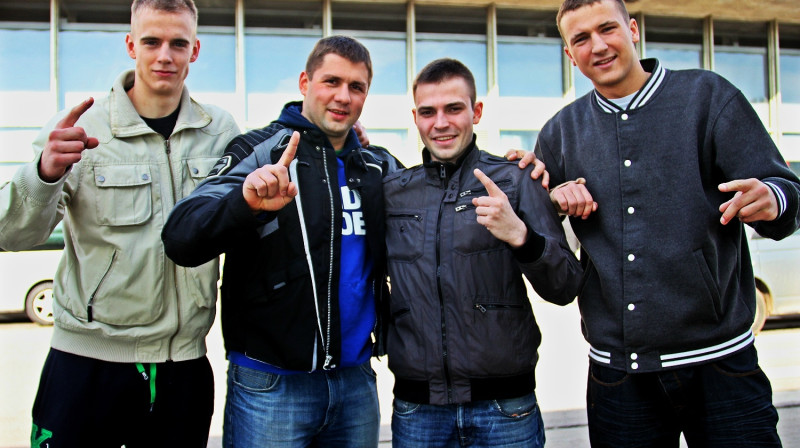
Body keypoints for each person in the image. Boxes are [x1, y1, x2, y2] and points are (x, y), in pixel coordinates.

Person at [535, 0, 800, 446]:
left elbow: (787, 190)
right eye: (580, 39)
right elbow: (548, 250)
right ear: (568, 54)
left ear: (633, 29)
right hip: (618, 378)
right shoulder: (560, 132)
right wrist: (552, 203)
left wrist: (774, 198)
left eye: (607, 29)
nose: (597, 46)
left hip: (721, 368)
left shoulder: (708, 97)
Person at [0, 1, 241, 446]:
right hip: (86, 366)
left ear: (196, 50)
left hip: (184, 370)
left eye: (178, 43)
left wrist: (339, 138)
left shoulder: (220, 129)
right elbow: (12, 234)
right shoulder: (78, 129)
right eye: (151, 41)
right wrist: (43, 173)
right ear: (131, 45)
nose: (164, 55)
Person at [161, 35, 401, 448]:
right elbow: (181, 236)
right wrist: (244, 202)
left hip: (356, 384)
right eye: (331, 82)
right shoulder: (261, 151)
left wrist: (515, 174)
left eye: (356, 86)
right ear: (305, 82)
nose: (343, 96)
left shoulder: (378, 164)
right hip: (270, 386)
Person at [382, 58, 583, 448]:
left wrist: (522, 236)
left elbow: (565, 285)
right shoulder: (393, 192)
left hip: (505, 409)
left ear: (476, 112)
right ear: (415, 117)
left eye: (453, 108)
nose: (440, 123)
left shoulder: (515, 179)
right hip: (418, 411)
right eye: (428, 112)